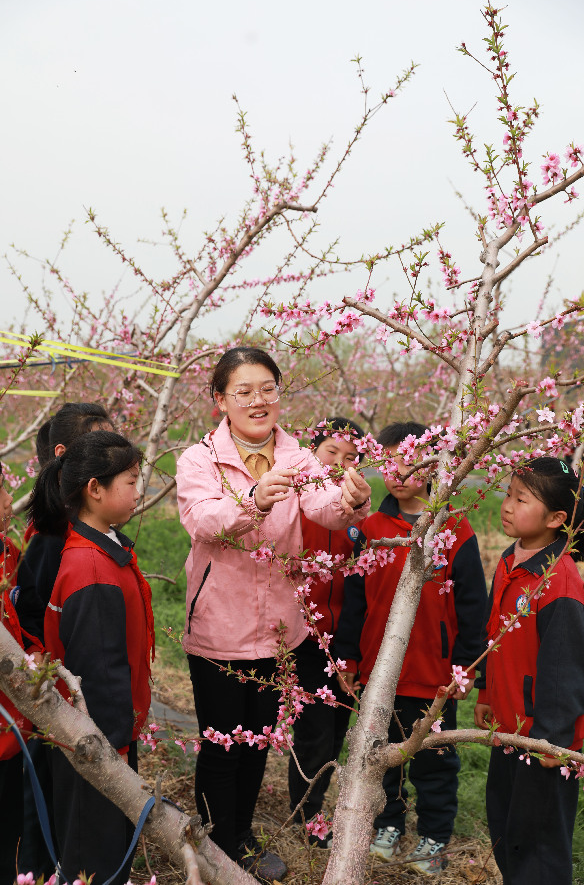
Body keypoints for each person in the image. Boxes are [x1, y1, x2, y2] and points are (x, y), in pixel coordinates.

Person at [176, 346, 371, 882]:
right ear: (220, 400)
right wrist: (254, 499)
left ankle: (240, 836)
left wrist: (352, 498)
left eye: (268, 389)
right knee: (222, 742)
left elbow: (323, 507)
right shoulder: (198, 459)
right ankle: (217, 843)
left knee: (260, 738)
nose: (258, 401)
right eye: (243, 391)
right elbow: (204, 523)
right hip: (219, 625)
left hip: (279, 628)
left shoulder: (298, 457)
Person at [335, 421, 487, 875]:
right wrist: (347, 657)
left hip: (432, 672)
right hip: (379, 671)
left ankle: (435, 836)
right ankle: (387, 825)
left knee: (435, 760)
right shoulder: (371, 527)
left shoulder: (454, 530)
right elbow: (355, 602)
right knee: (382, 755)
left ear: (436, 465)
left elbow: (472, 605)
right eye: (390, 462)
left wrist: (464, 666)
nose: (399, 472)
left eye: (412, 460)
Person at [29, 430, 154, 885]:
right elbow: (98, 675)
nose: (139, 491)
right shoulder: (93, 569)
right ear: (94, 489)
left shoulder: (102, 546)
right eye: (131, 480)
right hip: (97, 743)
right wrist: (114, 753)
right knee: (94, 859)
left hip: (105, 736)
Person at [474, 457, 584, 885]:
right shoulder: (509, 560)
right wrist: (485, 692)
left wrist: (550, 743)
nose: (507, 506)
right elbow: (493, 635)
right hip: (508, 724)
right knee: (506, 829)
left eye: (521, 499)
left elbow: (564, 671)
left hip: (543, 738)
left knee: (538, 845)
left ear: (557, 518)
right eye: (507, 494)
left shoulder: (559, 582)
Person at [16, 401, 113, 880]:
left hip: (72, 687)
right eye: (101, 448)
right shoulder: (55, 540)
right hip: (56, 688)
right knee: (50, 783)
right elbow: (35, 612)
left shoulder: (78, 530)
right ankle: (42, 866)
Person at [288, 416, 365, 841]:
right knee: (314, 731)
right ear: (311, 451)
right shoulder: (297, 503)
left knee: (337, 727)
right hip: (304, 635)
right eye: (330, 452)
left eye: (350, 457)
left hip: (346, 637)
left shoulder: (359, 515)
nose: (339, 463)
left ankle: (314, 807)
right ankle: (306, 815)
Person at [0, 447, 32, 885]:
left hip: (8, 734)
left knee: (5, 849)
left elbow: (18, 625)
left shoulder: (4, 552)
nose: (6, 504)